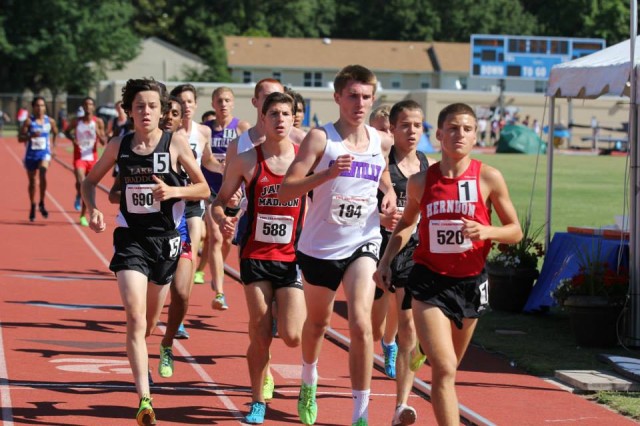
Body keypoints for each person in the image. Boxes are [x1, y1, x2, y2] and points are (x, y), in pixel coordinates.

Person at [374, 102, 523, 426]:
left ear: (475, 135)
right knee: (444, 370)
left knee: (449, 365)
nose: (460, 134)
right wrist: (386, 261)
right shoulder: (420, 182)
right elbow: (406, 225)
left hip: (471, 283)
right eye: (453, 128)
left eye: (467, 129)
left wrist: (488, 230)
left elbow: (515, 231)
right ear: (439, 134)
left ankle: (419, 352)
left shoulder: (488, 177)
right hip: (429, 282)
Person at [81, 78, 210, 426]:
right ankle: (144, 400)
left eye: (153, 106)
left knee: (150, 323)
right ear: (130, 111)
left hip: (165, 241)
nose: (147, 112)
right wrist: (92, 208)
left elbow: (203, 187)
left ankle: (150, 352)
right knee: (135, 318)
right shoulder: (119, 145)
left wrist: (173, 191)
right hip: (131, 238)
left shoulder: (176, 143)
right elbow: (90, 181)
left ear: (162, 109)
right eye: (140, 106)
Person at [279, 65, 396, 426]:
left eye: (365, 97)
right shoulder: (321, 139)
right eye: (352, 96)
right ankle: (309, 378)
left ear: (373, 99)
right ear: (338, 98)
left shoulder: (381, 141)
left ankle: (360, 414)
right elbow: (288, 187)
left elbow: (384, 178)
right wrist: (328, 174)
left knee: (361, 324)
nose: (359, 103)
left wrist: (389, 197)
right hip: (320, 247)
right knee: (317, 324)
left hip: (364, 240)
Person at [211, 92, 307, 424]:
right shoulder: (246, 160)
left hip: (293, 256)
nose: (281, 119)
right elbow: (219, 201)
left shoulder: (305, 160)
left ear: (295, 119)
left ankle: (283, 319)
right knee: (260, 331)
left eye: (287, 113)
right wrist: (223, 216)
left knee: (293, 336)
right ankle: (256, 400)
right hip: (255, 255)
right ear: (262, 119)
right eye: (274, 114)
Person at [370, 100, 435, 426]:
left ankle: (401, 402)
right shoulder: (381, 166)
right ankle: (388, 346)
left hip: (427, 252)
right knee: (379, 320)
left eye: (417, 126)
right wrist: (382, 215)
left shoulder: (430, 166)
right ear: (392, 129)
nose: (411, 131)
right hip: (390, 251)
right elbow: (362, 203)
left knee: (408, 323)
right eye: (405, 125)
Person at [194, 86, 250, 311]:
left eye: (227, 100)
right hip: (212, 193)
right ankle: (219, 292)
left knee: (226, 241)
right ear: (213, 104)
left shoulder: (242, 128)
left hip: (235, 195)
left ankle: (217, 272)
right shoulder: (205, 130)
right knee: (216, 239)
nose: (223, 104)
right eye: (219, 100)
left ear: (233, 103)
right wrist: (218, 169)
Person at [169, 84, 223, 319]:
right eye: (181, 102)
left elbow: (208, 160)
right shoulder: (169, 134)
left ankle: (181, 308)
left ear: (196, 104)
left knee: (193, 246)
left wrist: (227, 170)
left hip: (193, 199)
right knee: (171, 255)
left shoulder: (204, 132)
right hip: (171, 199)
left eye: (190, 101)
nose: (186, 106)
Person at [67, 97, 107, 226]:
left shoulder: (98, 122)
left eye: (90, 104)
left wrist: (97, 132)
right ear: (83, 107)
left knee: (87, 187)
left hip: (92, 158)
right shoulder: (76, 122)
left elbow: (103, 141)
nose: (88, 107)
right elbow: (66, 131)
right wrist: (73, 139)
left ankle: (83, 215)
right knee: (82, 183)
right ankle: (79, 195)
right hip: (79, 158)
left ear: (93, 107)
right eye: (86, 104)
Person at [18, 96, 58, 222]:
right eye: (37, 106)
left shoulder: (50, 121)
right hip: (30, 155)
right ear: (33, 107)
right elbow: (20, 138)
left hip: (44, 153)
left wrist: (54, 146)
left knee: (43, 172)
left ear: (45, 107)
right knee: (32, 183)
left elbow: (56, 132)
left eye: (42, 106)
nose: (40, 108)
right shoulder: (29, 122)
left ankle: (41, 202)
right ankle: (32, 204)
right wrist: (30, 136)